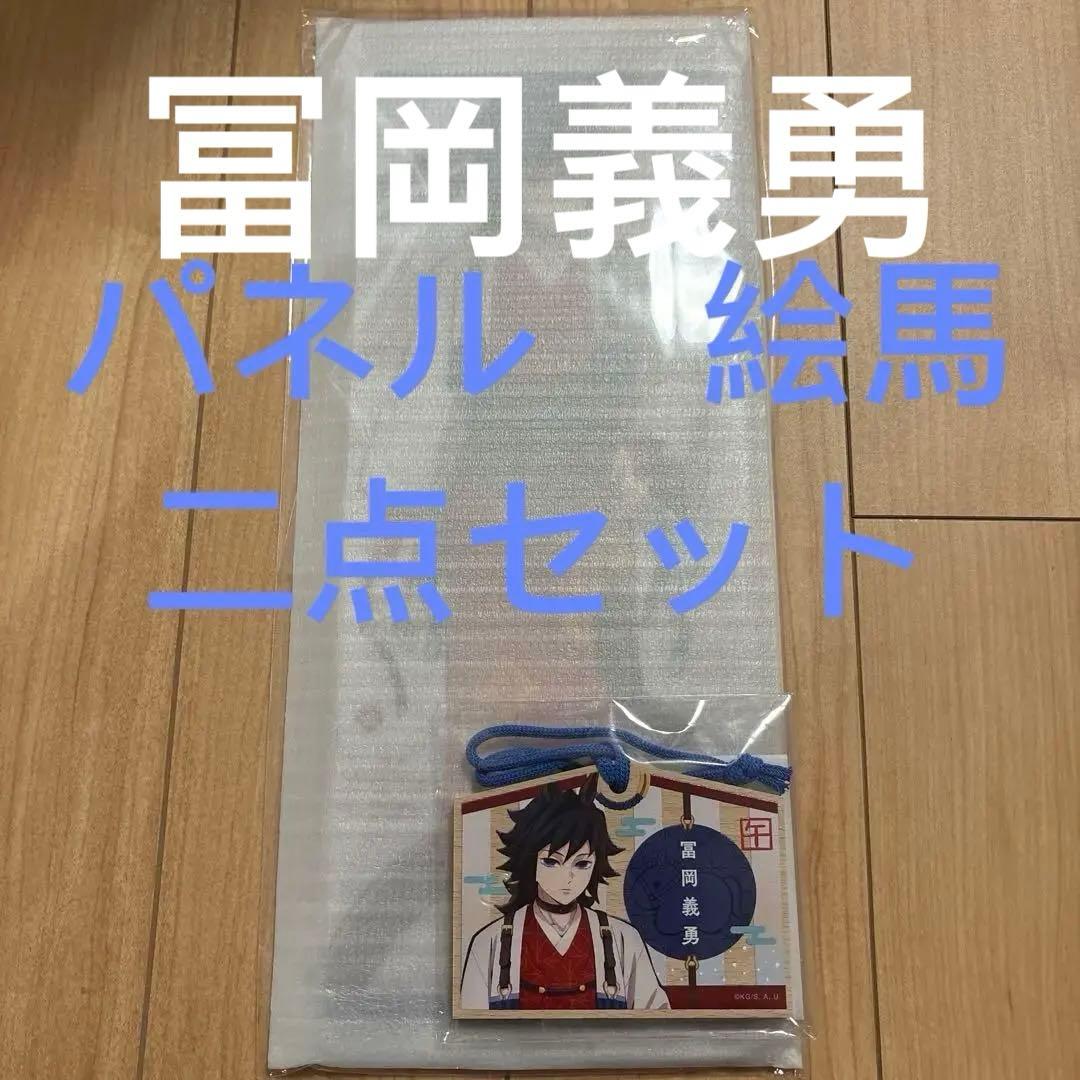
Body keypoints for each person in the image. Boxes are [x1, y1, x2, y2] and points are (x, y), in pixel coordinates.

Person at [460, 774, 670, 1011]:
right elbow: (471, 1020)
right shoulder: (490, 941)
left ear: (596, 865)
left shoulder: (623, 938)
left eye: (582, 864)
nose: (567, 877)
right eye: (551, 862)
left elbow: (656, 1016)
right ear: (530, 861)